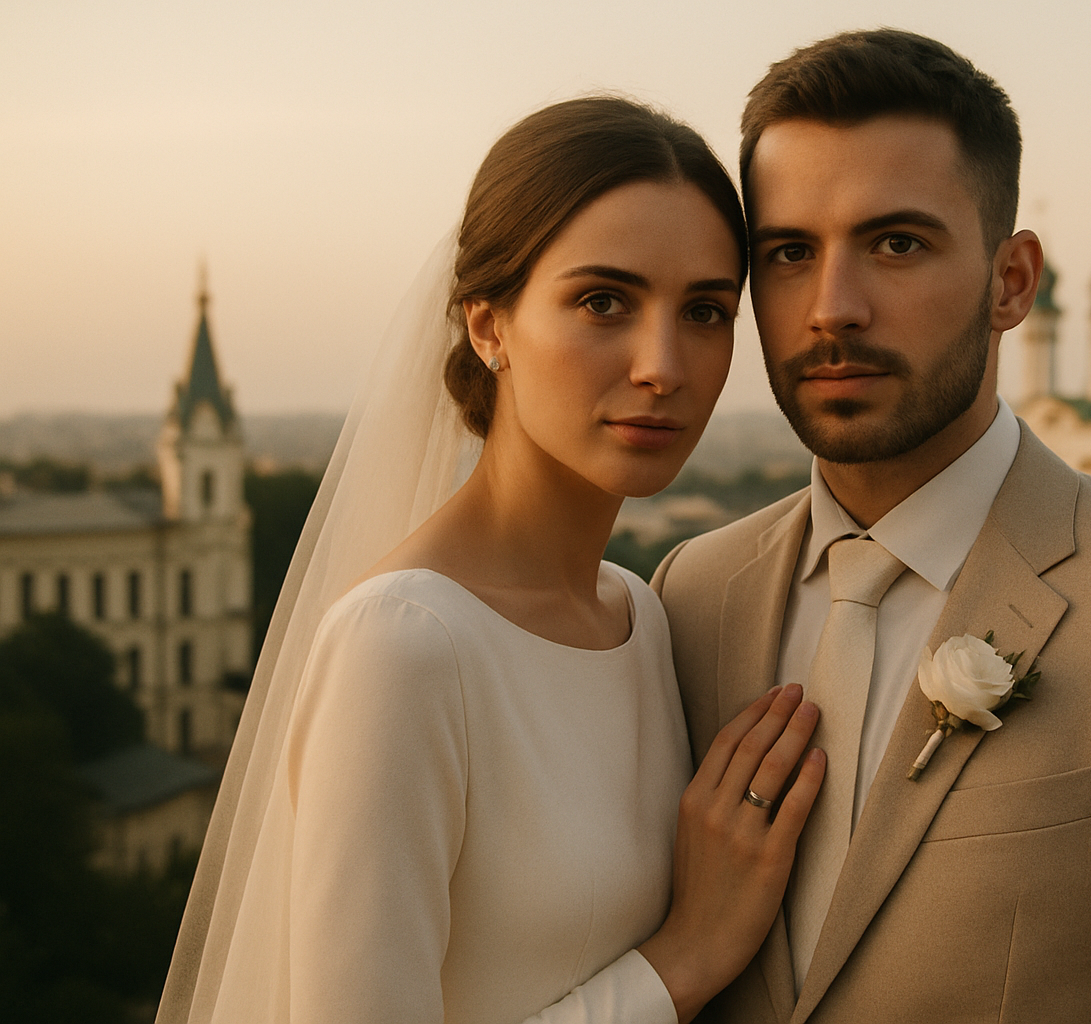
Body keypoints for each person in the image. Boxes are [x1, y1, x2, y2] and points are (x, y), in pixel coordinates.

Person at [652, 30, 1091, 1023]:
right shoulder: (691, 591)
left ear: (1013, 281)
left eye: (897, 243)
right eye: (789, 253)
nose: (833, 309)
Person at [157, 96, 826, 1024]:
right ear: (488, 327)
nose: (663, 365)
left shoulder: (641, 616)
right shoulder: (403, 645)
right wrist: (685, 960)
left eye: (706, 310)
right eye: (603, 301)